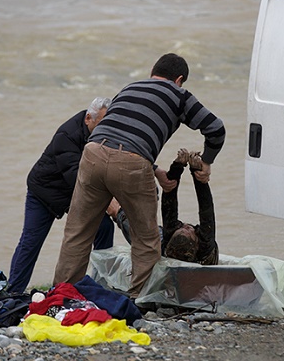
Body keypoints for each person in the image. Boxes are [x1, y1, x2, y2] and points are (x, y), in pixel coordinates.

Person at [53, 53, 226, 297]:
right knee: (147, 240)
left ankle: (60, 296)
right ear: (179, 80)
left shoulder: (130, 87)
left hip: (91, 153)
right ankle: (137, 300)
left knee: (77, 234)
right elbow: (216, 128)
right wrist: (207, 162)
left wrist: (156, 172)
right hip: (132, 163)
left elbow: (122, 131)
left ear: (153, 71)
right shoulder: (179, 95)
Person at [8, 97, 114, 294]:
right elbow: (75, 176)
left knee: (104, 227)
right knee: (31, 241)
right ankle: (13, 291)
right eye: (101, 123)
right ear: (88, 118)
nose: (104, 128)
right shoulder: (67, 134)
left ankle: (101, 285)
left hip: (73, 191)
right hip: (44, 191)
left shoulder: (104, 131)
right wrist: (106, 201)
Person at [109, 148, 218, 265]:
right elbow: (206, 208)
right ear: (197, 241)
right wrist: (196, 174)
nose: (186, 225)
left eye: (183, 228)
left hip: (161, 247)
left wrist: (176, 169)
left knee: (120, 214)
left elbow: (168, 204)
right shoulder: (205, 245)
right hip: (176, 248)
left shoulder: (166, 241)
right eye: (187, 229)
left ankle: (114, 207)